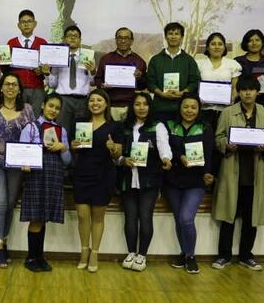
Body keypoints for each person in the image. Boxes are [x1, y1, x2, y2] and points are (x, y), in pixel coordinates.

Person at [211, 77, 264, 271]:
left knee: (251, 218)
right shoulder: (228, 113)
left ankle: (246, 256)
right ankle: (224, 255)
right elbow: (219, 137)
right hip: (232, 172)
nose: (248, 93)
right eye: (244, 90)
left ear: (258, 92)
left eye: (251, 90)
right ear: (238, 92)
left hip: (254, 173)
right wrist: (226, 145)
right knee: (228, 216)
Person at [0, 72, 35, 268]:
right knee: (0, 203)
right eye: (7, 84)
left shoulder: (27, 109)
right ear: (1, 87)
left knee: (10, 203)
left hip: (16, 165)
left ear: (19, 89)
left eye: (14, 85)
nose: (10, 87)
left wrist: (30, 159)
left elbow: (33, 136)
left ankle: (4, 241)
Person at [118, 93, 172, 272]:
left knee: (145, 216)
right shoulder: (124, 127)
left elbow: (164, 147)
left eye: (145, 104)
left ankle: (142, 255)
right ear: (132, 107)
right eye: (137, 104)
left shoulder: (158, 126)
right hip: (128, 178)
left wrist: (166, 159)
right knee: (130, 217)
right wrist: (121, 159)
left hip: (149, 179)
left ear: (150, 107)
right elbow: (117, 152)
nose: (141, 108)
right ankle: (131, 252)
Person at [70, 89, 123, 272]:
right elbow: (73, 148)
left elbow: (118, 154)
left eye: (99, 100)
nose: (95, 103)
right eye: (92, 100)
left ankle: (95, 253)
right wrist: (73, 145)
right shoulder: (79, 123)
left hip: (103, 175)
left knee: (98, 217)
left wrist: (113, 147)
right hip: (81, 173)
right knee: (82, 216)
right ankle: (84, 250)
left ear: (106, 104)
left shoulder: (114, 127)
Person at [19, 93, 71, 273]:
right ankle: (31, 257)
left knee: (44, 218)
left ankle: (40, 257)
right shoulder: (31, 127)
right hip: (35, 175)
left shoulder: (62, 131)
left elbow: (67, 160)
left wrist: (63, 148)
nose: (53, 110)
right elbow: (22, 152)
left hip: (54, 175)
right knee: (36, 218)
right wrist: (24, 163)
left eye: (57, 108)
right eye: (51, 106)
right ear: (42, 105)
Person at [165, 94, 214, 274]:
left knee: (186, 218)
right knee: (179, 220)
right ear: (180, 108)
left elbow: (209, 153)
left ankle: (191, 256)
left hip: (196, 180)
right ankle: (184, 253)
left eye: (193, 107)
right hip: (173, 179)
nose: (189, 111)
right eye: (186, 107)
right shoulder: (170, 126)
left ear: (199, 109)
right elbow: (167, 148)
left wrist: (208, 173)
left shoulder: (205, 127)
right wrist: (179, 157)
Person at [48, 25, 96, 141]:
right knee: (62, 134)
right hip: (63, 100)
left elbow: (93, 81)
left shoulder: (88, 57)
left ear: (80, 40)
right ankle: (63, 158)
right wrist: (49, 72)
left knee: (82, 138)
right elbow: (52, 84)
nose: (73, 38)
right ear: (64, 39)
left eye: (76, 36)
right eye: (69, 36)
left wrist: (92, 70)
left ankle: (79, 159)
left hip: (83, 101)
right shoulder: (58, 56)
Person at [147, 22, 200, 123]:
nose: (173, 36)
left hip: (182, 109)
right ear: (166, 37)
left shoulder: (189, 60)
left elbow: (194, 82)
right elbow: (150, 82)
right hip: (160, 108)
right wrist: (162, 94)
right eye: (170, 33)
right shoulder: (155, 59)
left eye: (177, 34)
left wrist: (182, 93)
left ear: (182, 37)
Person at [0, 9, 48, 116]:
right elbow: (5, 71)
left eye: (29, 21)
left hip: (37, 88)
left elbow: (48, 69)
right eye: (23, 22)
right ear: (18, 25)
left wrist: (43, 70)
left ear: (35, 24)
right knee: (17, 117)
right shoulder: (11, 43)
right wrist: (1, 62)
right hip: (17, 89)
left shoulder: (42, 43)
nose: (26, 24)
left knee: (35, 119)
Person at [94, 27, 148, 122]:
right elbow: (97, 79)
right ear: (116, 40)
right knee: (112, 135)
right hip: (110, 105)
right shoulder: (106, 59)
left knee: (129, 135)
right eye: (120, 38)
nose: (123, 41)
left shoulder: (139, 61)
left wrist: (139, 77)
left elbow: (143, 85)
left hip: (131, 106)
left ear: (131, 41)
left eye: (126, 38)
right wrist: (102, 86)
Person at [234, 29, 264, 121]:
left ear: (262, 42)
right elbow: (234, 86)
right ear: (245, 43)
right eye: (250, 40)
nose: (254, 43)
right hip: (244, 105)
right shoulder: (237, 61)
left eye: (257, 40)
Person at [197, 32, 242, 129]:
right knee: (206, 141)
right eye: (213, 44)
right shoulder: (199, 64)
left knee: (222, 140)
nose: (217, 47)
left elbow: (235, 89)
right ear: (208, 47)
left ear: (224, 47)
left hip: (225, 111)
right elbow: (196, 87)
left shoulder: (232, 64)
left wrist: (230, 99)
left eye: (220, 44)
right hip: (204, 111)